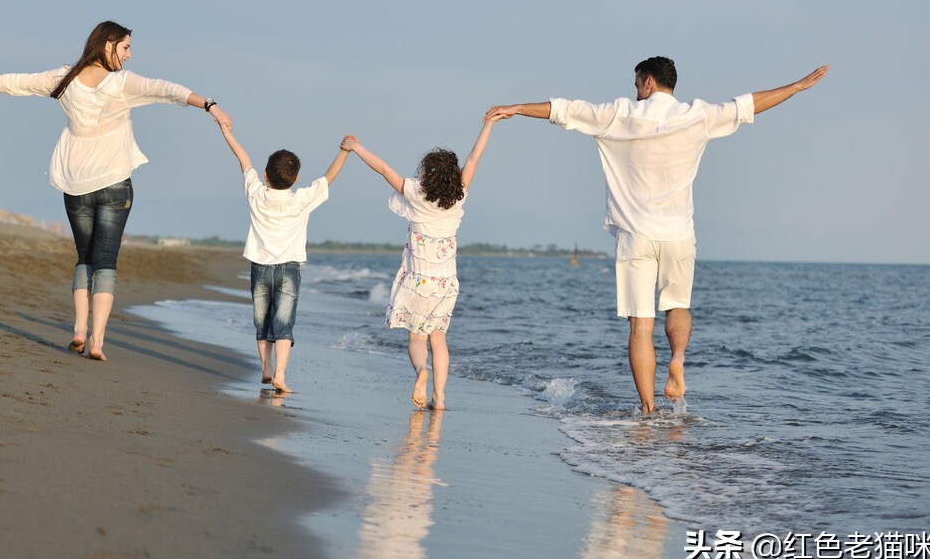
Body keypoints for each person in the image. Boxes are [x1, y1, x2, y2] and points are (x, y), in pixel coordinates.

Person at [485, 58, 829, 413]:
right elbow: (748, 104)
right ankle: (677, 358)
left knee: (640, 325)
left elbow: (563, 110)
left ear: (647, 82)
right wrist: (796, 86)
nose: (634, 93)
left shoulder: (618, 115)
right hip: (679, 233)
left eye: (636, 86)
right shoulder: (697, 115)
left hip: (636, 236)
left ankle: (648, 411)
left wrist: (517, 108)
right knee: (678, 307)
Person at [0, 20, 230, 362]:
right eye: (126, 47)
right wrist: (210, 105)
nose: (130, 56)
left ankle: (77, 329)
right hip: (115, 184)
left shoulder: (66, 77)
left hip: (75, 185)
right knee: (105, 262)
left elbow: (16, 83)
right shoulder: (122, 84)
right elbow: (169, 90)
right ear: (108, 45)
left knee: (85, 257)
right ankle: (97, 341)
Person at [341, 116, 504, 410]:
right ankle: (439, 399)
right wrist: (488, 125)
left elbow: (381, 168)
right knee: (439, 340)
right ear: (453, 177)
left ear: (426, 176)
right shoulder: (460, 195)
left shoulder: (415, 193)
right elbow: (474, 156)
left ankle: (421, 371)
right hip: (446, 284)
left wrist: (356, 147)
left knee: (417, 340)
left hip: (417, 281)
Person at [216, 119, 351, 393]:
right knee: (283, 324)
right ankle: (280, 374)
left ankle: (265, 368)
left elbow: (243, 159)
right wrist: (345, 151)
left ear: (265, 174)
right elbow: (328, 177)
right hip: (289, 269)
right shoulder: (301, 199)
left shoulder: (255, 193)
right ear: (296, 179)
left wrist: (227, 133)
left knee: (262, 320)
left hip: (260, 267)